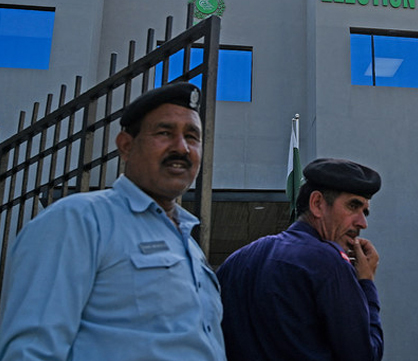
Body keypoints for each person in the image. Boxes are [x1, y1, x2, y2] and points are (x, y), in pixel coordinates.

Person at [0, 82, 226, 361]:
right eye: (165, 133)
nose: (181, 148)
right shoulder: (77, 220)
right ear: (126, 146)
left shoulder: (189, 246)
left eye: (192, 137)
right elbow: (31, 352)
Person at [216, 158, 384, 361]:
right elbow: (364, 355)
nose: (362, 223)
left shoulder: (236, 262)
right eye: (353, 206)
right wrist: (366, 283)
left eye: (364, 212)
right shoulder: (328, 261)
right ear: (317, 204)